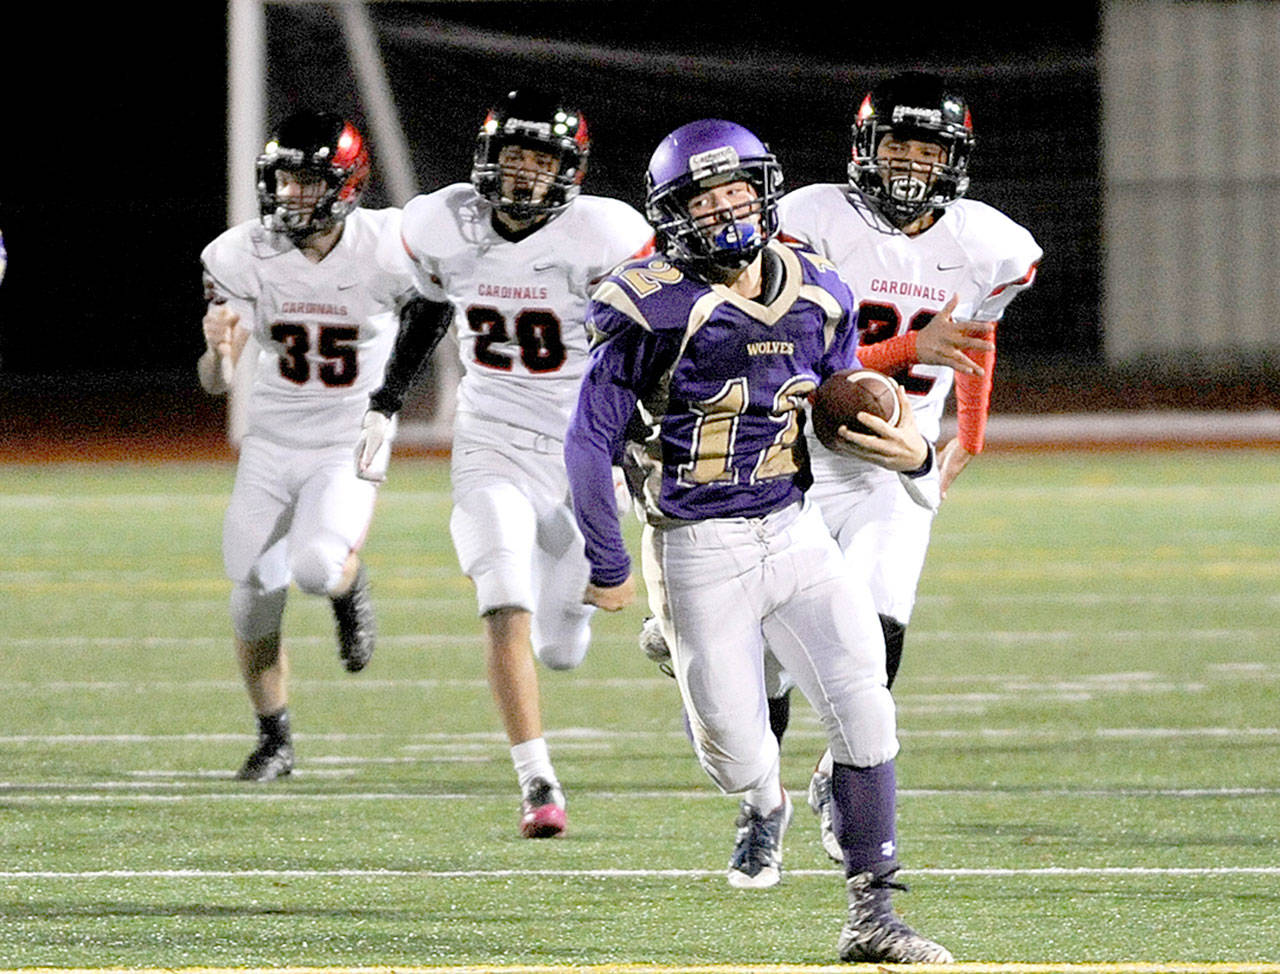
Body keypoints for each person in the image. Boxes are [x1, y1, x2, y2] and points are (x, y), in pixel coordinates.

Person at [564, 118, 953, 964]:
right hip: (696, 544)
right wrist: (607, 557)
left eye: (740, 191)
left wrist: (899, 441)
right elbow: (588, 438)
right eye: (707, 199)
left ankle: (872, 914)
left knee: (866, 708)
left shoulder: (819, 289)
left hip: (794, 525)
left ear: (766, 192)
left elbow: (839, 394)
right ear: (672, 214)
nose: (728, 212)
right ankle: (764, 801)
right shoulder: (646, 302)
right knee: (739, 758)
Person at [354, 89, 653, 838]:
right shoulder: (442, 222)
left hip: (586, 452)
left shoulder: (607, 234)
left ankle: (574, 621)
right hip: (489, 439)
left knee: (559, 647)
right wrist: (385, 402)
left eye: (541, 161)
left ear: (571, 170)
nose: (524, 176)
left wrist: (649, 434)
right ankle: (537, 781)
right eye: (514, 157)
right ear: (487, 159)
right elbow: (430, 306)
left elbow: (649, 343)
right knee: (502, 597)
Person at [774, 71, 1043, 859]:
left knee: (882, 619)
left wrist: (972, 429)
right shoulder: (810, 220)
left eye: (928, 148)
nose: (910, 163)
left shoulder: (990, 245)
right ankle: (692, 637)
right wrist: (904, 350)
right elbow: (795, 349)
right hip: (793, 451)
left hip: (897, 457)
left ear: (955, 158)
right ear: (866, 147)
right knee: (763, 666)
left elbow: (976, 336)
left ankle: (838, 772)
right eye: (897, 144)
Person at [199, 109, 417, 781]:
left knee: (319, 566)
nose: (292, 194)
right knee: (250, 592)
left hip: (348, 433)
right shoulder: (238, 254)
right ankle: (275, 739)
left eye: (308, 181)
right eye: (285, 180)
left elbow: (435, 309)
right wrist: (220, 357)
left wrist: (395, 393)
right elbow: (215, 383)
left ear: (347, 184)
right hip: (271, 440)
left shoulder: (387, 245)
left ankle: (349, 591)